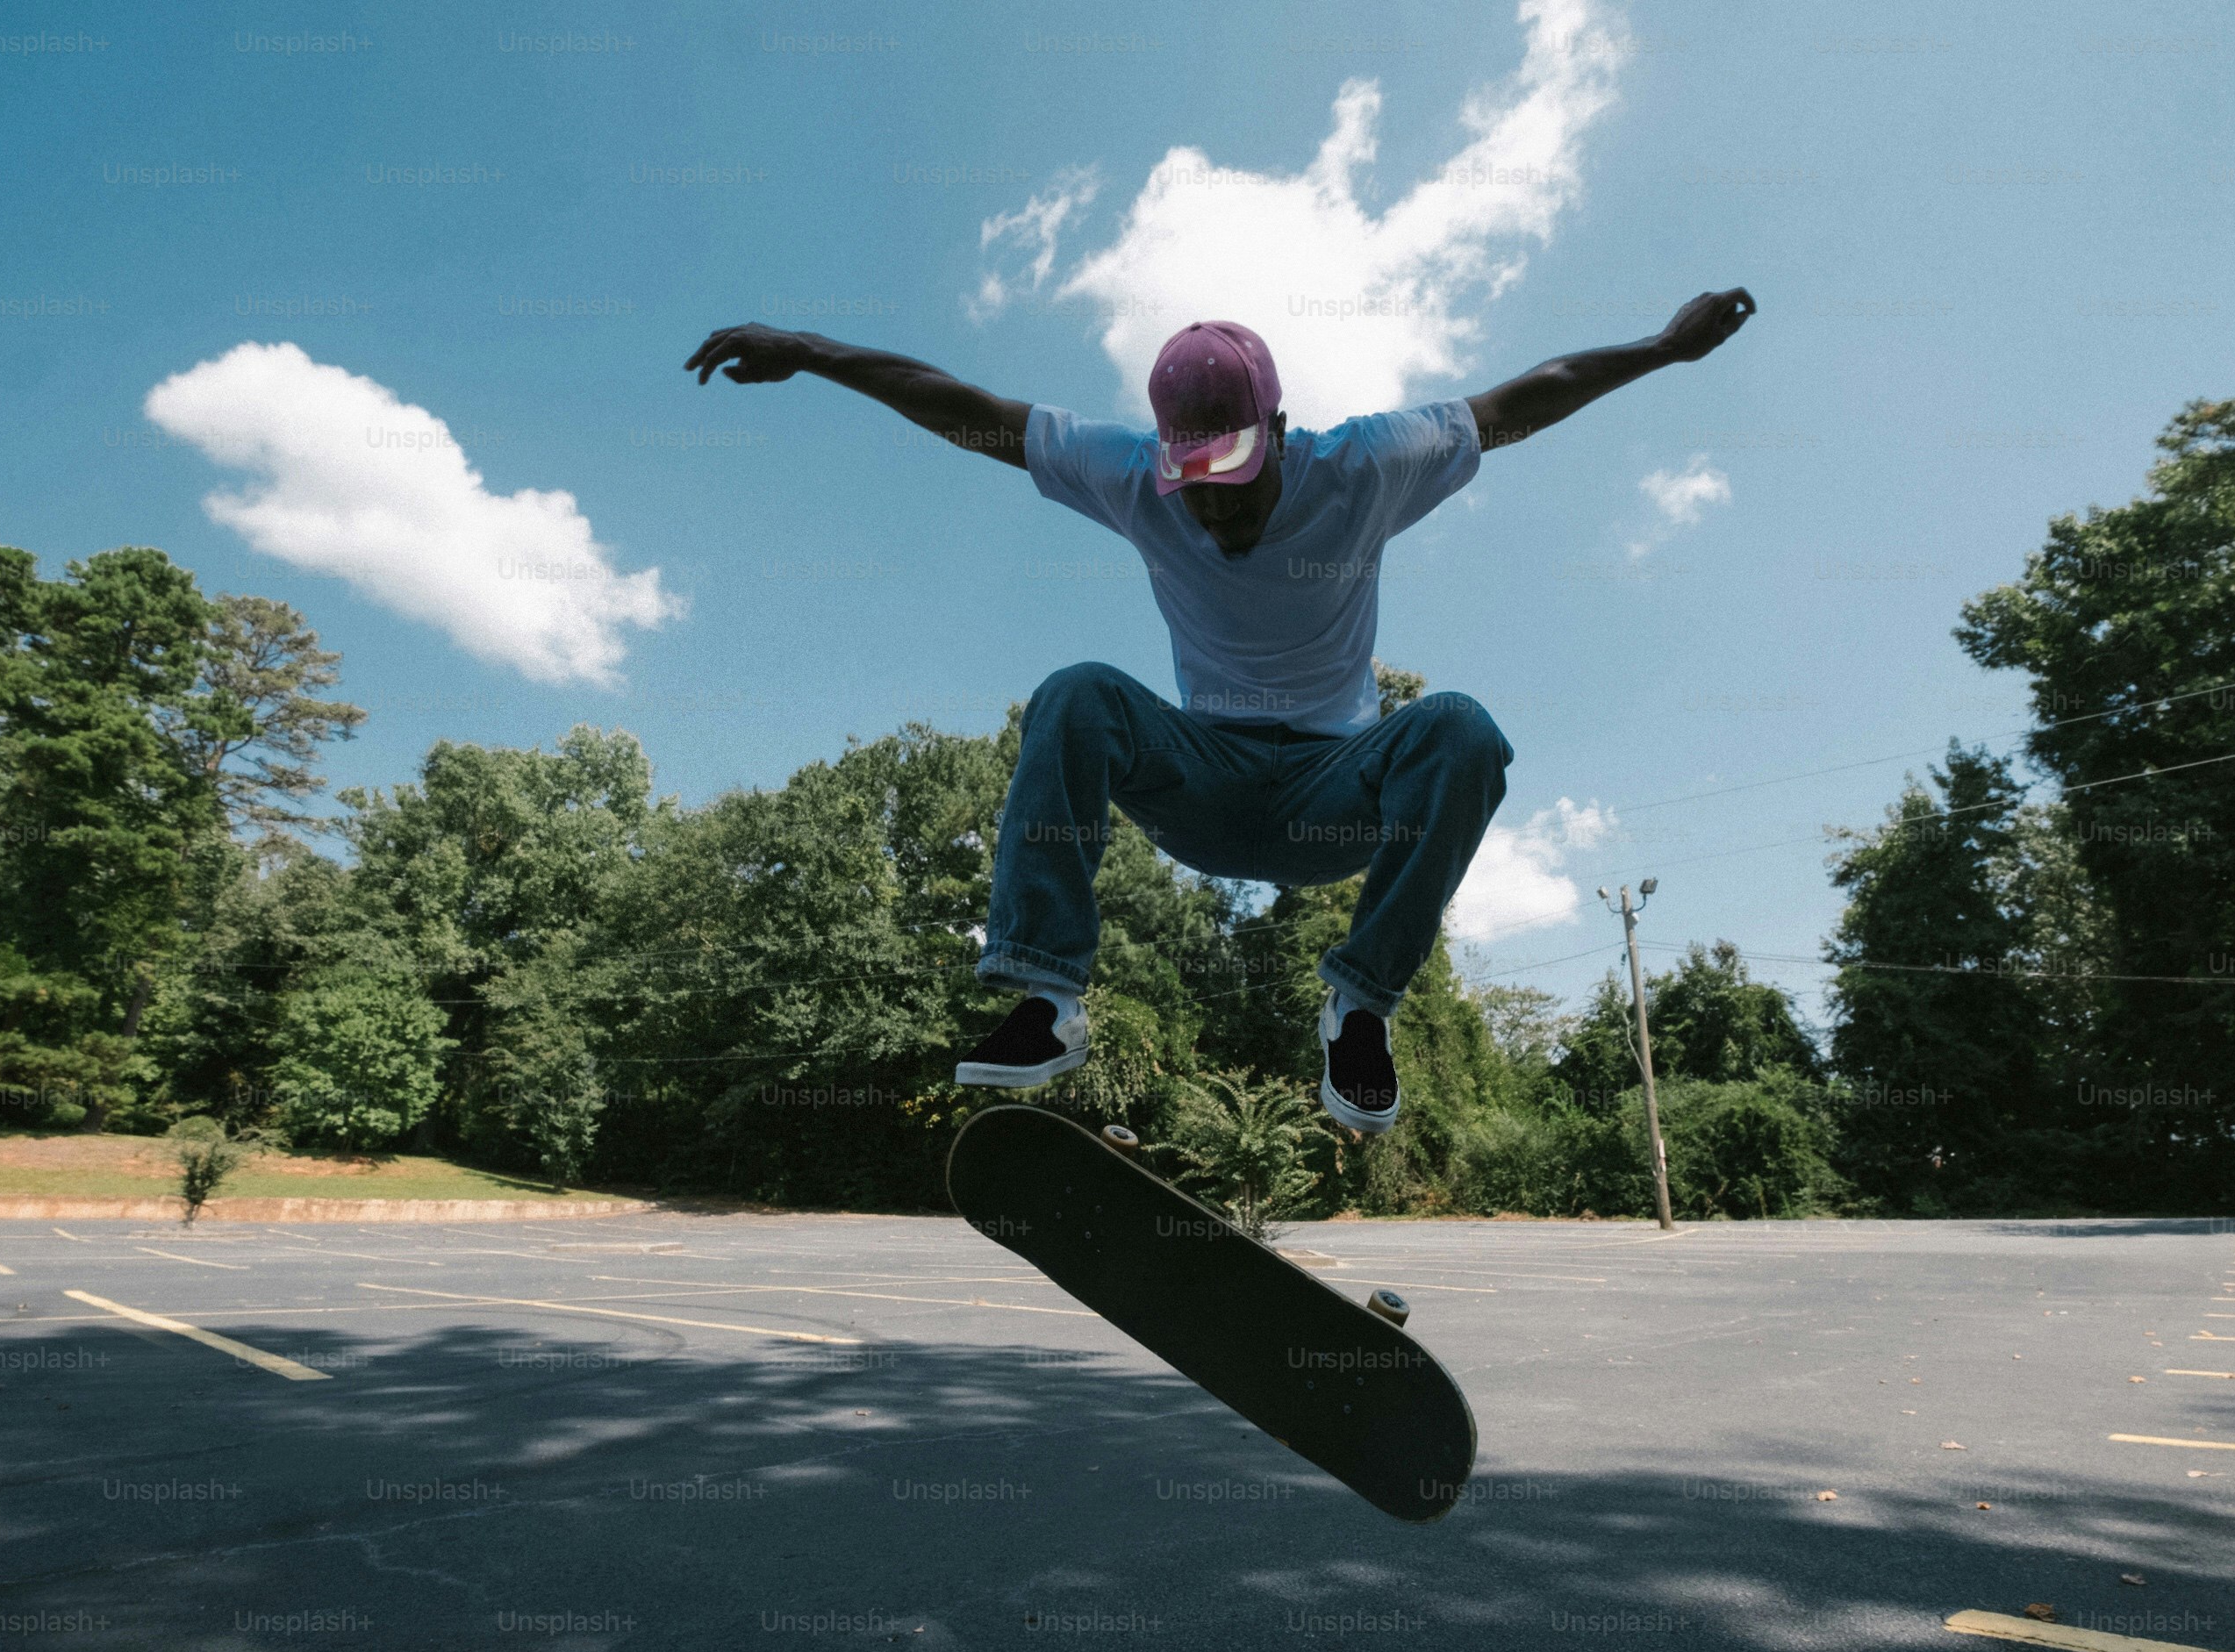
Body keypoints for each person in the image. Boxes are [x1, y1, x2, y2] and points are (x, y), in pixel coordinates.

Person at [685, 289, 1753, 1132]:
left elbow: (1528, 397)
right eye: (1193, 485)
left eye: (1237, 479)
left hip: (1333, 795)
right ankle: (1047, 998)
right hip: (1201, 783)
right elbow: (965, 408)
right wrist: (815, 352)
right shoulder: (1129, 474)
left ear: (1281, 434)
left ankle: (1361, 1006)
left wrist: (1662, 349)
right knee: (1077, 696)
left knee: (1461, 728)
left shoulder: (1369, 463)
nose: (1216, 507)